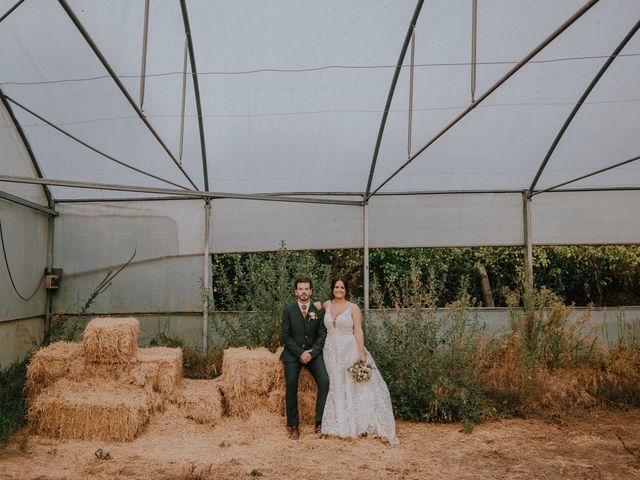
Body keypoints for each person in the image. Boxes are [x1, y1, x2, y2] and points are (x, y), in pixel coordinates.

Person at [319, 276, 399, 445]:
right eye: (336, 287)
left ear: (346, 290)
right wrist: (316, 306)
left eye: (342, 287)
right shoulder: (326, 305)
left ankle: (356, 423)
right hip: (331, 351)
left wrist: (361, 353)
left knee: (352, 384)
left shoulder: (353, 308)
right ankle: (337, 422)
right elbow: (313, 310)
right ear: (332, 289)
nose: (339, 289)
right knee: (335, 383)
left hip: (349, 348)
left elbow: (358, 331)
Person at [280, 275, 330, 440]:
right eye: (300, 289)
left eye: (306, 289)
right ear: (296, 291)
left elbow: (322, 335)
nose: (303, 292)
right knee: (291, 384)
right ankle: (293, 426)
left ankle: (319, 422)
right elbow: (286, 337)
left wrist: (312, 353)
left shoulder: (318, 310)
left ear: (311, 291)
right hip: (293, 354)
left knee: (324, 381)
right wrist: (300, 353)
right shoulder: (288, 310)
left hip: (313, 354)